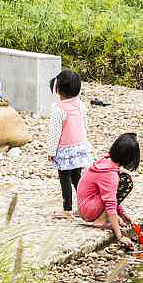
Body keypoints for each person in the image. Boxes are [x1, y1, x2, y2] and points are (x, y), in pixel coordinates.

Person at [77, 133, 142, 250]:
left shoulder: (106, 161)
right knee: (126, 182)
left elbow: (110, 195)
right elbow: (110, 202)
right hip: (89, 209)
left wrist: (122, 214)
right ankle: (101, 221)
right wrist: (120, 236)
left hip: (86, 206)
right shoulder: (110, 174)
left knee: (123, 180)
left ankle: (104, 218)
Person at [47, 69, 92, 218]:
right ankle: (84, 205)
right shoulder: (80, 105)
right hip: (80, 147)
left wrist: (51, 152)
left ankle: (67, 210)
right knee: (77, 178)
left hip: (65, 149)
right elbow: (83, 124)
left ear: (58, 88)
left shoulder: (57, 109)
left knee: (65, 178)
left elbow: (55, 133)